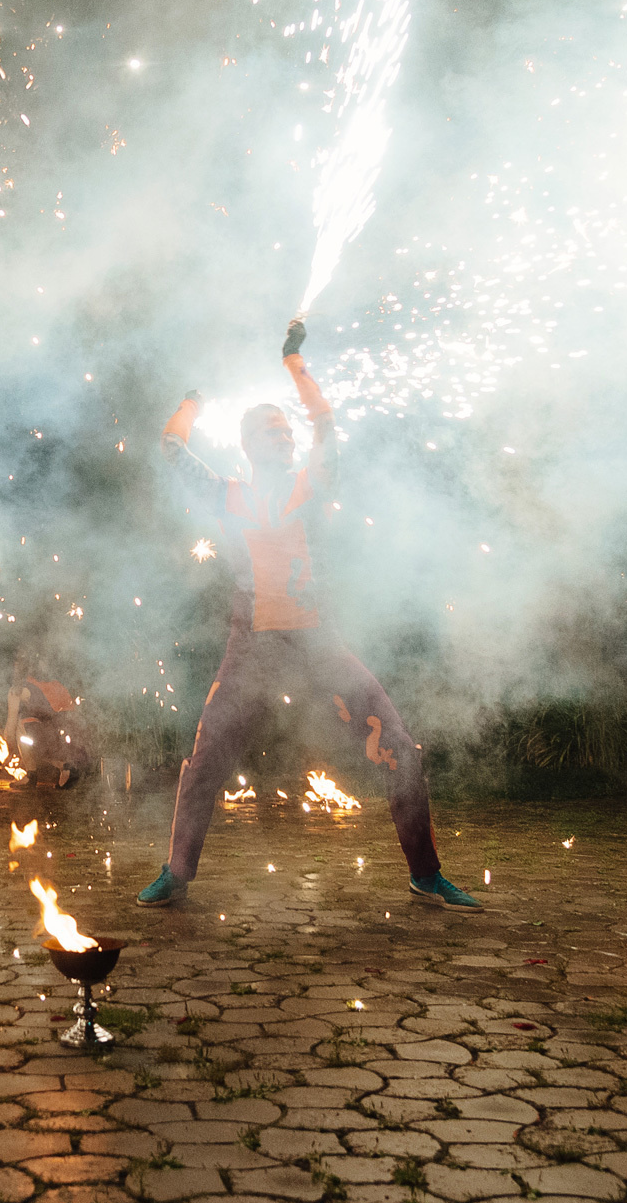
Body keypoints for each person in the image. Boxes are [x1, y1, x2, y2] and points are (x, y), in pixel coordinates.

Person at [137, 318, 477, 909]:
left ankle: (426, 873)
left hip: (318, 641)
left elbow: (325, 423)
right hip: (252, 647)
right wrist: (195, 396)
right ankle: (178, 872)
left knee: (397, 745)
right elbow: (170, 446)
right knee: (205, 760)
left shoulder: (309, 483)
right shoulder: (228, 495)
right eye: (271, 431)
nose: (285, 437)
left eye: (284, 430)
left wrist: (294, 361)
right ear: (248, 445)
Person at [5, 648, 92, 790]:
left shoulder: (18, 689)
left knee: (22, 724)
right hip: (76, 737)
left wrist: (11, 749)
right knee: (33, 724)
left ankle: (45, 772)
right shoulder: (54, 683)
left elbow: (11, 724)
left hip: (61, 738)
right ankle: (68, 766)